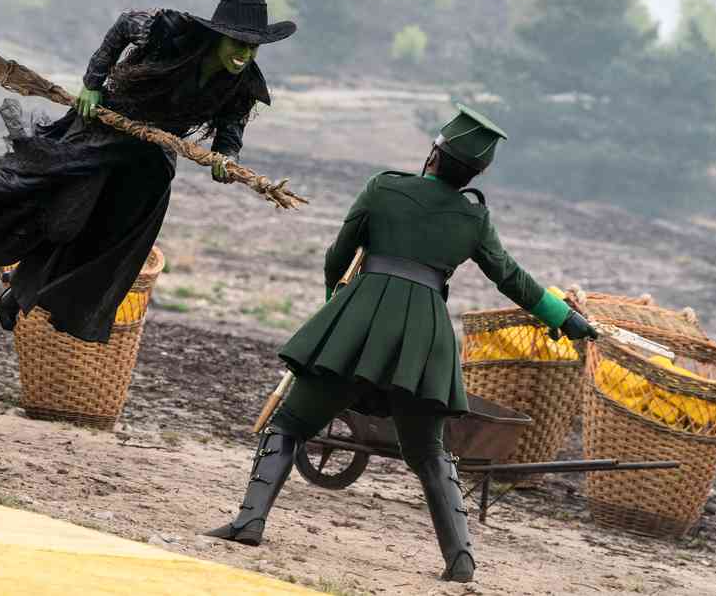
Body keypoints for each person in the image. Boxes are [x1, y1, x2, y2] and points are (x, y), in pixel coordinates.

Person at [205, 104, 598, 583]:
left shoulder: (383, 188)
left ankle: (249, 521)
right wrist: (567, 318)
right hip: (426, 338)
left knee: (289, 425)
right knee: (430, 452)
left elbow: (337, 258)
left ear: (433, 154)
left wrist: (337, 312)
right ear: (476, 174)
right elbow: (512, 279)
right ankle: (460, 559)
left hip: (359, 319)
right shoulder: (474, 219)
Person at [0, 0, 295, 342]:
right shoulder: (171, 33)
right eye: (237, 43)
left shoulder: (244, 84)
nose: (244, 54)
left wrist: (225, 159)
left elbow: (230, 133)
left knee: (111, 238)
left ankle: (21, 296)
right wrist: (92, 84)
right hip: (105, 129)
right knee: (63, 215)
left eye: (252, 47)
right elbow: (126, 23)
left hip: (151, 160)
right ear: (218, 37)